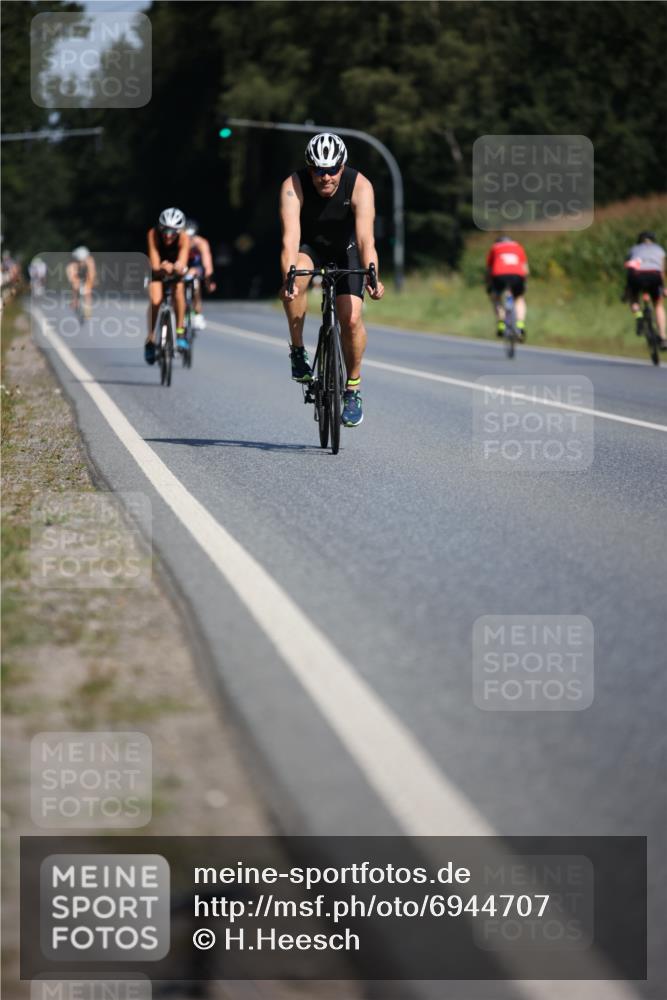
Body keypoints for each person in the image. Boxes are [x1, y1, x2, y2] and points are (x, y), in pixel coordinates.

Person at [279, 131, 384, 428]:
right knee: (296, 280)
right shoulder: (293, 185)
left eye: (332, 170)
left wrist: (372, 274)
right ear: (309, 168)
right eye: (318, 170)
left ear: (342, 166)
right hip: (309, 248)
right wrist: (289, 277)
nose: (325, 177)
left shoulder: (360, 185)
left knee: (351, 319)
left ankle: (353, 389)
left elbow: (365, 239)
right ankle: (298, 352)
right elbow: (290, 239)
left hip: (347, 249)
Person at [145, 207, 190, 364]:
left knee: (179, 292)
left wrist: (178, 267)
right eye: (165, 231)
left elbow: (183, 261)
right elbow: (154, 263)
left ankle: (179, 332)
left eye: (173, 232)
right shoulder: (153, 234)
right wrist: (161, 268)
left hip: (174, 269)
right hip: (157, 270)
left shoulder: (184, 238)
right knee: (156, 301)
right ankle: (150, 340)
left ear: (179, 231)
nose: (168, 236)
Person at [624, 231, 667, 348]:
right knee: (658, 305)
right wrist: (663, 288)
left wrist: (627, 290)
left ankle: (638, 316)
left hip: (637, 276)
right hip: (654, 276)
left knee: (633, 297)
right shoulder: (659, 250)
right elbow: (662, 272)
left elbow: (628, 268)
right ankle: (663, 337)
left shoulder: (634, 249)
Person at [485, 235, 529, 340]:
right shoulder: (518, 247)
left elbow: (489, 270)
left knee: (496, 298)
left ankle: (501, 323)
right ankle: (520, 325)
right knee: (519, 299)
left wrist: (488, 284)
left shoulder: (495, 247)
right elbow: (526, 269)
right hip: (517, 275)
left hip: (499, 275)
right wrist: (524, 283)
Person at [185, 219, 216, 329]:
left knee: (195, 282)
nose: (188, 240)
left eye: (191, 237)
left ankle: (197, 314)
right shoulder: (178, 243)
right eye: (186, 237)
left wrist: (209, 282)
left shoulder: (201, 243)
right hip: (183, 265)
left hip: (196, 267)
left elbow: (208, 265)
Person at [66, 246, 96, 318]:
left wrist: (91, 281)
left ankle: (88, 309)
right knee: (75, 287)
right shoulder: (73, 263)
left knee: (88, 292)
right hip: (77, 276)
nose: (81, 262)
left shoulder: (89, 260)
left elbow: (92, 273)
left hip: (87, 277)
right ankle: (75, 301)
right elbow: (71, 272)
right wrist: (73, 280)